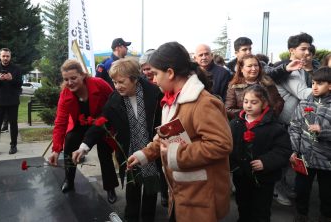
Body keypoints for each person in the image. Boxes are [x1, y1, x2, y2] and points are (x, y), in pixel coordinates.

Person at [127, 42, 233, 222]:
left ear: (170, 73)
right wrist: (146, 154)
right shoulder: (173, 99)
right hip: (184, 192)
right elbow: (170, 135)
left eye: (155, 74)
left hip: (201, 195)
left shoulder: (202, 103)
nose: (153, 80)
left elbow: (221, 144)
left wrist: (176, 154)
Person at [72, 58, 165, 221]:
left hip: (152, 154)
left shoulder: (155, 93)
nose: (117, 86)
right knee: (132, 198)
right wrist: (84, 146)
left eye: (121, 82)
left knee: (150, 198)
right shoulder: (116, 98)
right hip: (129, 156)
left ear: (135, 79)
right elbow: (101, 122)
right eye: (114, 82)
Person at [48, 60, 119, 202]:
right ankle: (69, 179)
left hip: (101, 124)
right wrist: (56, 149)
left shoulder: (99, 84)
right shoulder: (65, 94)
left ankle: (110, 187)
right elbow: (60, 122)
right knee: (69, 141)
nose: (70, 82)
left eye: (73, 78)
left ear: (82, 75)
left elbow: (115, 101)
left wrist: (115, 127)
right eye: (66, 79)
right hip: (80, 125)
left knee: (105, 151)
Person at [229, 84, 292, 222]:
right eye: (246, 101)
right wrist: (233, 166)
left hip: (264, 178)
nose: (248, 105)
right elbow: (229, 146)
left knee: (261, 209)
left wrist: (266, 161)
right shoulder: (235, 124)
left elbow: (283, 150)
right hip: (241, 176)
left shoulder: (274, 127)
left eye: (254, 102)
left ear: (264, 104)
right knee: (243, 204)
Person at [289, 67, 331, 222]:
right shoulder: (304, 103)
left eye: (319, 83)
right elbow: (294, 126)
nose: (314, 86)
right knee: (301, 189)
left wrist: (323, 131)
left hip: (327, 160)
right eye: (313, 82)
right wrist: (295, 150)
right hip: (305, 156)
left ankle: (326, 215)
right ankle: (301, 214)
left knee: (327, 192)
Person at [225, 55, 284, 120]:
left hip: (268, 123)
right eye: (249, 66)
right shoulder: (234, 86)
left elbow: (279, 101)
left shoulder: (267, 82)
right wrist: (250, 114)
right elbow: (228, 109)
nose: (254, 69)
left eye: (256, 65)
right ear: (241, 68)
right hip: (244, 124)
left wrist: (269, 114)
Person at [0, 48, 22, 156]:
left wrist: (11, 79)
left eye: (7, 56)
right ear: (0, 56)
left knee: (13, 124)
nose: (5, 58)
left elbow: (19, 84)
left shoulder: (16, 68)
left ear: (10, 56)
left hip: (12, 101)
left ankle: (13, 146)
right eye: (3, 56)